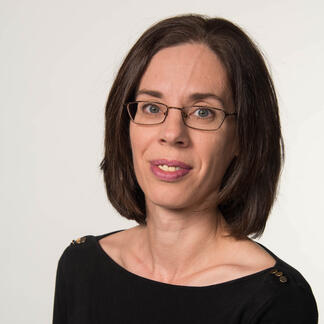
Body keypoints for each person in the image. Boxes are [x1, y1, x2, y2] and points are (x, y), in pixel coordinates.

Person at [52, 14, 318, 323]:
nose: (172, 133)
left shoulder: (278, 300)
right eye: (152, 107)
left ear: (243, 137)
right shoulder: (81, 267)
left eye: (203, 112)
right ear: (125, 125)